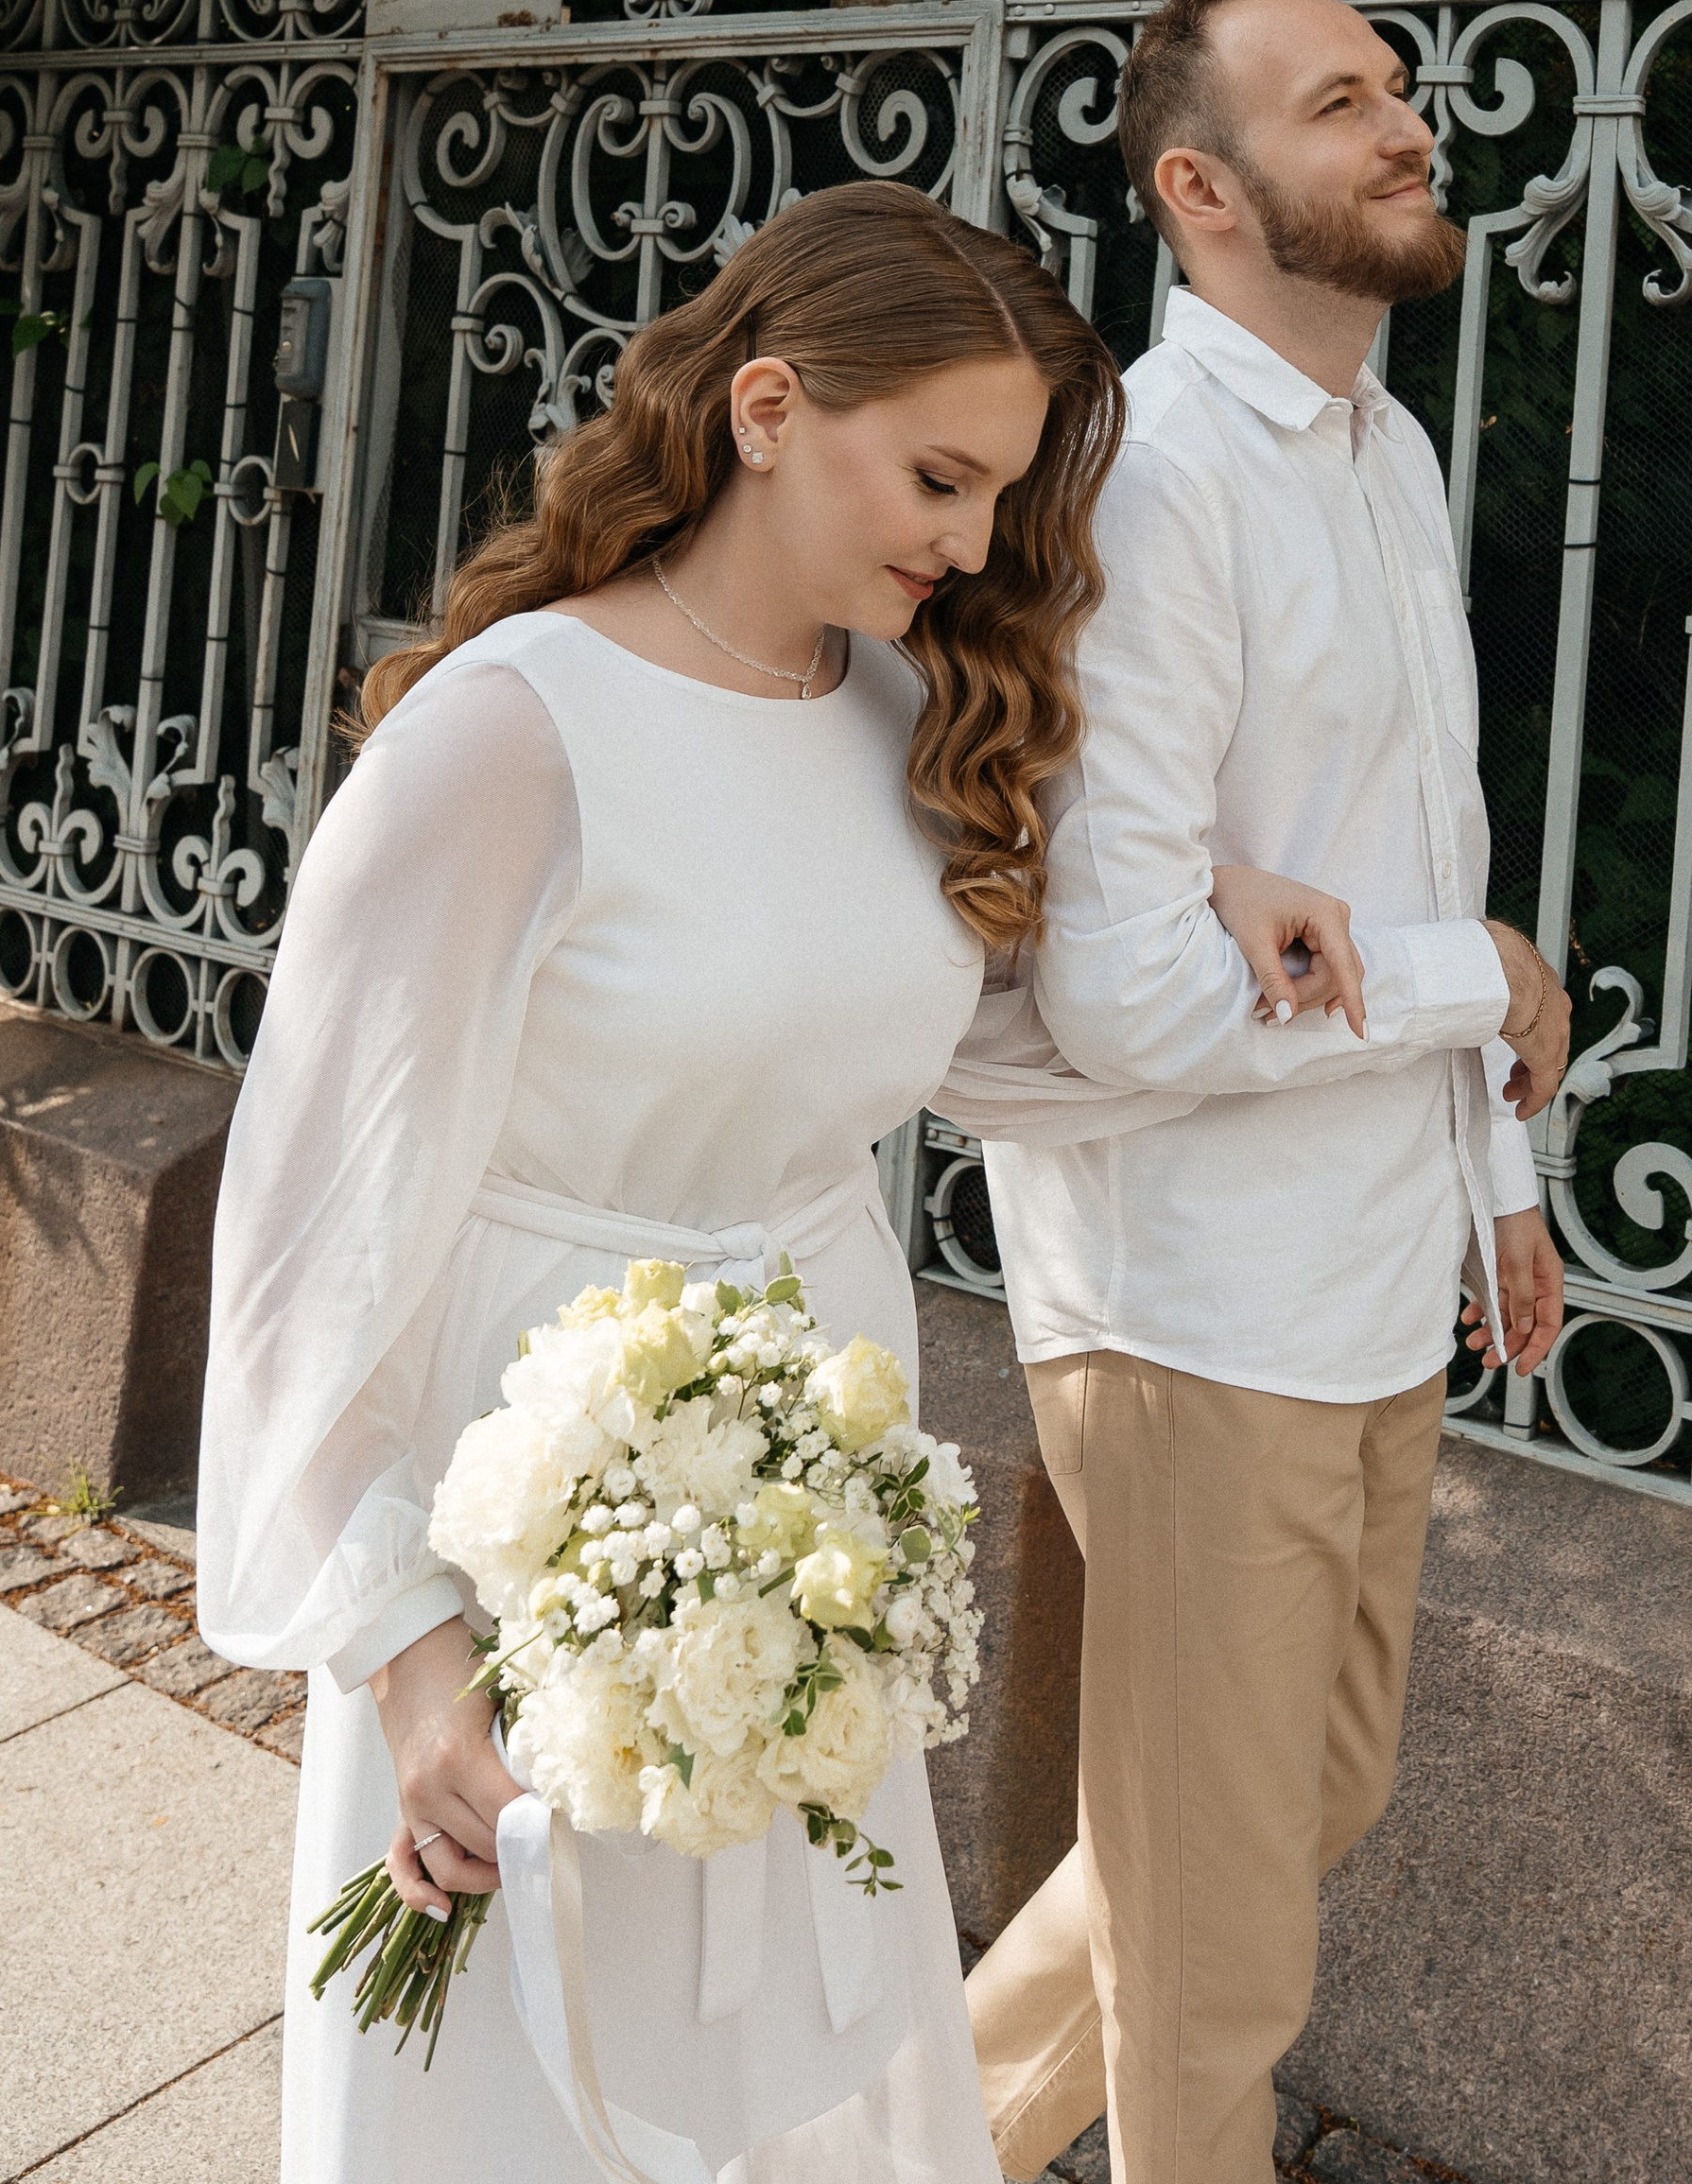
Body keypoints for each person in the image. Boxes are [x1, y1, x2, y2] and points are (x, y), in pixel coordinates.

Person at [198, 183, 1140, 2184]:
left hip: (809, 1491)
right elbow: (305, 1242)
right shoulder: (507, 738)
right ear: (772, 405)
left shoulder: (904, 718)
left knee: (780, 2063)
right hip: (515, 1466)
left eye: (999, 498)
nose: (972, 543)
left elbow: (1009, 1053)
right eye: (942, 477)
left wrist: (1372, 975)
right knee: (516, 2072)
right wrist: (410, 1659)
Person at [961, 0, 1574, 2184]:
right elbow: (1129, 994)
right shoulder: (1149, 477)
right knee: (1218, 1960)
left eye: (1396, 91)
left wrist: (1494, 1174)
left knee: (1296, 1806)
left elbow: (1413, 861)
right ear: (1200, 189)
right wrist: (1471, 982)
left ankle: (862, 2155)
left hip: (1366, 1264)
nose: (1405, 126)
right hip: (1192, 1297)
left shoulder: (1386, 447)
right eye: (1341, 105)